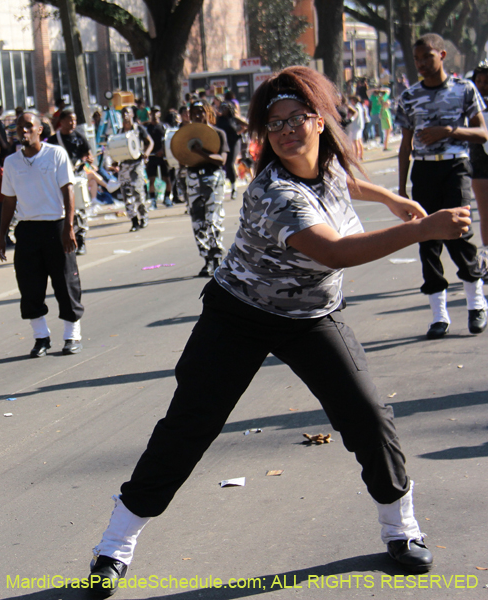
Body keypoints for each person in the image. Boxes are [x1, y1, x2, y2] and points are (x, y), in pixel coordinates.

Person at [84, 66, 474, 597]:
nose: (287, 132)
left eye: (296, 120)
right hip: (238, 314)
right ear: (265, 136)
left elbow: (343, 181)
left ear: (318, 122)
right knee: (188, 427)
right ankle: (114, 545)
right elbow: (334, 252)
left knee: (366, 416)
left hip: (312, 316)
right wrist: (420, 228)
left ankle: (400, 529)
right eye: (274, 125)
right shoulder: (274, 193)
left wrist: (387, 198)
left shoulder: (329, 164)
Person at [396, 33, 488, 339]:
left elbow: (482, 134)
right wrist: (401, 188)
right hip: (423, 171)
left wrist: (448, 130)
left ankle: (476, 303)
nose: (421, 64)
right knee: (427, 240)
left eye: (427, 57)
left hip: (455, 165)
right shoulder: (409, 97)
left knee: (460, 233)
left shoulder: (464, 89)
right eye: (417, 59)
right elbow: (405, 145)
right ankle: (439, 315)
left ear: (442, 55)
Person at [0, 111, 84, 358]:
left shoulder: (56, 154)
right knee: (29, 286)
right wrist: (2, 235)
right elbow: (9, 201)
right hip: (27, 229)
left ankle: (72, 335)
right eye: (19, 127)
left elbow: (69, 191)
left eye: (28, 126)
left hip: (56, 226)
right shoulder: (11, 162)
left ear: (39, 130)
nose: (23, 131)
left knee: (66, 283)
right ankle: (41, 337)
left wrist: (69, 226)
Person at [179, 100, 229, 276]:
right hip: (193, 178)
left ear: (208, 112)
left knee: (213, 219)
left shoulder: (218, 133)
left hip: (213, 177)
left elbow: (221, 160)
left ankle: (216, 257)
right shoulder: (186, 136)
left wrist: (201, 152)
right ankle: (206, 259)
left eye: (201, 111)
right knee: (198, 221)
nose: (198, 115)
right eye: (194, 112)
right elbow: (180, 156)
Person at [46, 109, 91, 254]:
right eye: (70, 120)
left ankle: (81, 239)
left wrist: (87, 159)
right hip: (61, 179)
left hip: (77, 176)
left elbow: (87, 153)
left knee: (80, 208)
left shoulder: (79, 137)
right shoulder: (53, 140)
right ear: (62, 121)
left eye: (75, 120)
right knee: (64, 209)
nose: (72, 123)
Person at [118, 111, 153, 232]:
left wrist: (146, 154)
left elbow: (150, 142)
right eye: (123, 114)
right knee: (126, 194)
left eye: (127, 113)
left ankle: (143, 216)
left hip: (136, 164)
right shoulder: (119, 132)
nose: (125, 115)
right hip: (124, 165)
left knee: (137, 192)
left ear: (132, 115)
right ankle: (134, 221)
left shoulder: (139, 129)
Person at [471, 61, 488, 252]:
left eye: (486, 82)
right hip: (479, 162)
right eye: (479, 81)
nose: (482, 85)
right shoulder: (470, 106)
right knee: (485, 214)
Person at [216, 101, 248, 200]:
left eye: (225, 108)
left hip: (234, 141)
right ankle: (223, 185)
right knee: (223, 164)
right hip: (223, 143)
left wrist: (241, 132)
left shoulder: (234, 118)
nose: (224, 110)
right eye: (222, 108)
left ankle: (234, 188)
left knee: (230, 164)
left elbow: (247, 125)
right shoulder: (218, 120)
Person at [145, 108, 172, 207]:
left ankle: (167, 198)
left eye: (156, 112)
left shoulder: (165, 127)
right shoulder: (147, 128)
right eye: (152, 113)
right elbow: (144, 142)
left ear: (159, 114)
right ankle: (153, 200)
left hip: (164, 157)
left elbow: (169, 141)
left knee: (167, 179)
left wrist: (163, 151)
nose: (154, 115)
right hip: (152, 157)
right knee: (151, 179)